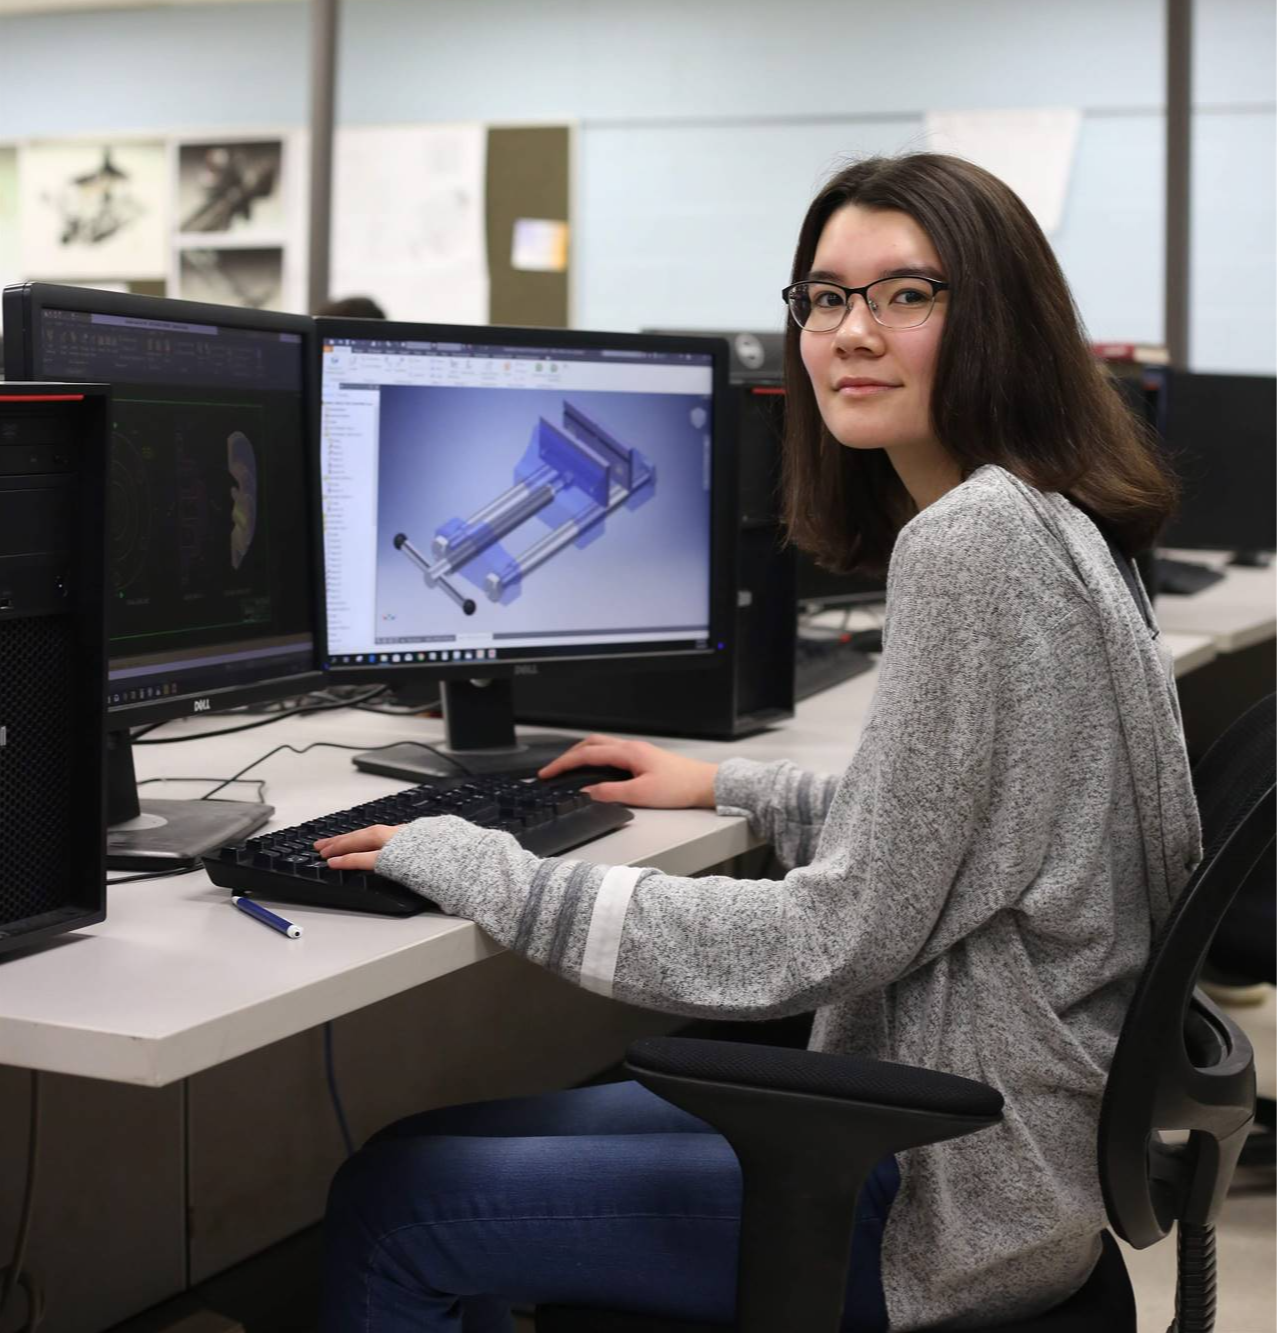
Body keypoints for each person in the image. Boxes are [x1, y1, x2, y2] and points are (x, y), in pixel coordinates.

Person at [314, 153, 1201, 1331]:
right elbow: (987, 827)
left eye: (905, 294)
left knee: (396, 1203)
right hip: (1013, 1151)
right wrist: (729, 785)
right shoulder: (1053, 518)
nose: (849, 331)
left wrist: (490, 873)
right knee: (424, 1146)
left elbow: (830, 932)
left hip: (943, 1188)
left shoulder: (970, 545)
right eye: (823, 297)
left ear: (995, 317)